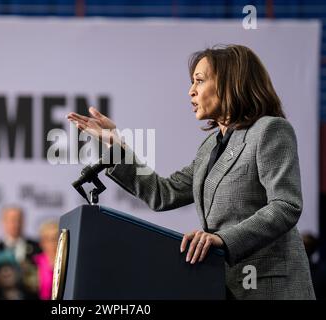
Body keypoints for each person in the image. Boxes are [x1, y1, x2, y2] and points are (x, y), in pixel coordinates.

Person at [67, 44, 315, 300]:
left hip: (270, 287)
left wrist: (222, 239)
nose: (191, 91)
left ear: (231, 82)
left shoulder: (270, 131)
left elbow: (285, 206)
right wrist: (116, 146)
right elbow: (164, 193)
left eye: (199, 81)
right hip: (222, 286)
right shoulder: (210, 146)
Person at [0, 206, 41, 271]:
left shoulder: (38, 248)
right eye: (12, 220)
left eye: (19, 220)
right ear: (3, 222)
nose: (16, 224)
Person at [32, 220, 59, 300]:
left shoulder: (69, 262)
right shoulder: (33, 262)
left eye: (55, 238)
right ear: (41, 242)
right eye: (47, 239)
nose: (52, 243)